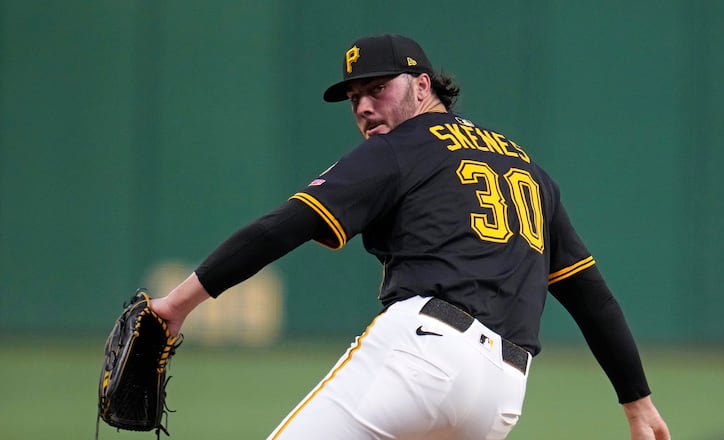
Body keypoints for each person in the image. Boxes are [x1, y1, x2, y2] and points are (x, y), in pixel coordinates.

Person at [150, 34, 670, 439]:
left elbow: (286, 224)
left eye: (379, 88)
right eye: (354, 97)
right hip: (503, 393)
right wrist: (637, 400)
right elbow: (589, 295)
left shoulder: (402, 147)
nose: (364, 106)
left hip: (424, 355)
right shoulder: (527, 168)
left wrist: (178, 304)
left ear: (423, 87)